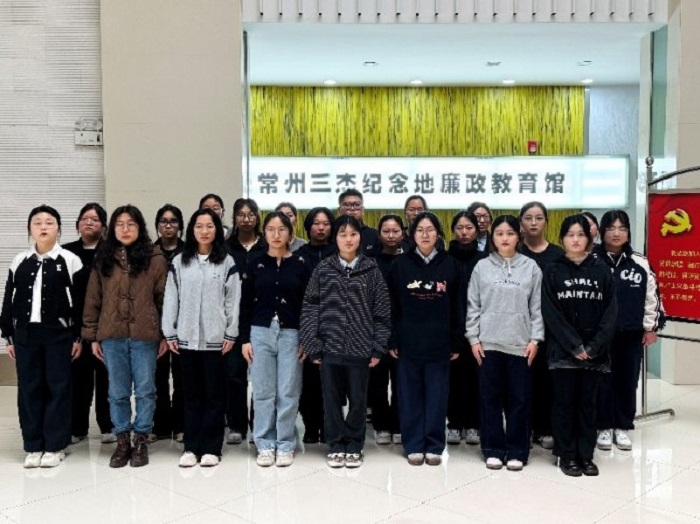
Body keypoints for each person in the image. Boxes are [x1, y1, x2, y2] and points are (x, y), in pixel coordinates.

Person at [300, 215, 391, 469]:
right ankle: (336, 443)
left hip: (361, 348)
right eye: (343, 234)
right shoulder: (324, 269)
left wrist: (378, 346)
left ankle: (354, 443)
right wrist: (312, 343)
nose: (348, 239)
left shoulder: (371, 270)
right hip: (329, 347)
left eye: (353, 234)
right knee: (331, 400)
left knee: (358, 401)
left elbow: (382, 311)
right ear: (335, 238)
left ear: (360, 237)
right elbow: (310, 307)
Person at [82, 205, 168, 468]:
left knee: (145, 390)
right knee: (117, 392)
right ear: (112, 229)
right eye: (120, 224)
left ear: (140, 227)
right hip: (112, 336)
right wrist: (92, 336)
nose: (125, 229)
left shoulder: (155, 258)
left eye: (131, 224)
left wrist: (165, 335)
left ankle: (141, 439)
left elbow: (164, 300)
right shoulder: (103, 258)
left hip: (145, 335)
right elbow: (93, 299)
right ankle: (122, 440)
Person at [1, 205, 84, 468]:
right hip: (26, 335)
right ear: (30, 229)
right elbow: (9, 299)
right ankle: (33, 445)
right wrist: (8, 335)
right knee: (29, 388)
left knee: (58, 388)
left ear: (59, 229)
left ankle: (56, 445)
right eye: (37, 223)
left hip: (59, 334)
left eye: (49, 222)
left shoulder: (70, 260)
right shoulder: (20, 260)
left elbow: (80, 303)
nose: (43, 227)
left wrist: (78, 337)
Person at [162, 208, 241, 468]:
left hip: (216, 340)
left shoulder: (226, 262)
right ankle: (191, 446)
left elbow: (232, 301)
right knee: (190, 395)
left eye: (209, 226)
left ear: (217, 229)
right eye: (199, 226)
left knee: (214, 397)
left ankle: (211, 448)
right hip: (186, 339)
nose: (204, 231)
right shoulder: (179, 261)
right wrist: (169, 331)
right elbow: (171, 298)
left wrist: (231, 332)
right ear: (191, 230)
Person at [466, 214, 544, 471]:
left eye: (510, 233)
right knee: (490, 400)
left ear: (518, 236)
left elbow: (537, 307)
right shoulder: (482, 267)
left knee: (519, 401)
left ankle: (517, 450)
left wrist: (535, 339)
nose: (505, 238)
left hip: (521, 346)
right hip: (488, 345)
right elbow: (473, 305)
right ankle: (493, 449)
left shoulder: (531, 267)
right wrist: (473, 338)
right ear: (493, 237)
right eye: (499, 234)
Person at [387, 212, 465, 466]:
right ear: (412, 234)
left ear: (438, 233)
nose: (425, 234)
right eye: (420, 230)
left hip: (440, 342)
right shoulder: (400, 265)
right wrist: (393, 338)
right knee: (409, 395)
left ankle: (434, 444)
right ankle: (413, 444)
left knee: (437, 396)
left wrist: (456, 339)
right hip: (408, 341)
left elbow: (458, 306)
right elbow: (392, 305)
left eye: (430, 229)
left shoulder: (451, 265)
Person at [542, 215, 617, 477]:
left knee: (588, 404)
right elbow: (551, 312)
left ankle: (585, 454)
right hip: (563, 352)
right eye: (570, 234)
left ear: (590, 238)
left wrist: (594, 347)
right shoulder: (553, 269)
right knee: (564, 404)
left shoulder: (601, 269)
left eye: (581, 234)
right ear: (562, 238)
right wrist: (574, 345)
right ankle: (566, 455)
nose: (575, 240)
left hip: (595, 353)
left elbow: (610, 312)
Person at [240, 211, 311, 467]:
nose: (276, 234)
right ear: (264, 233)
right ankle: (265, 443)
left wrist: (307, 339)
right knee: (262, 391)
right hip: (260, 332)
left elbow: (309, 306)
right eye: (271, 229)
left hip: (292, 333)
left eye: (282, 229)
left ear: (290, 234)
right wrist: (245, 339)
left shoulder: (301, 264)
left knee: (288, 391)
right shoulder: (255, 263)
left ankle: (285, 443)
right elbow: (245, 304)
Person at [594, 210, 664, 452]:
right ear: (602, 231)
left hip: (630, 333)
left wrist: (650, 327)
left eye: (622, 228)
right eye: (611, 228)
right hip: (599, 335)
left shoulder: (640, 262)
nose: (616, 233)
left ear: (628, 232)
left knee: (627, 380)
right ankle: (603, 426)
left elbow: (652, 297)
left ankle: (622, 426)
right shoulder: (592, 260)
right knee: (601, 381)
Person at [63, 203, 114, 445]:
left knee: (106, 380)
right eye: (85, 218)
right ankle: (78, 427)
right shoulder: (66, 253)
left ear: (103, 226)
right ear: (77, 225)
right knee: (78, 380)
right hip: (75, 328)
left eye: (95, 219)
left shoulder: (111, 252)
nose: (89, 222)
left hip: (106, 326)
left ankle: (108, 426)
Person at [518, 201, 565, 451]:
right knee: (522, 381)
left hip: (551, 328)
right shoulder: (514, 252)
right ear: (521, 223)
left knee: (548, 380)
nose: (533, 222)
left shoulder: (558, 254)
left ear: (546, 221)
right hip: (518, 328)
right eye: (528, 218)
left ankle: (546, 428)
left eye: (538, 218)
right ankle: (524, 428)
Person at [223, 198, 267, 445]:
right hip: (232, 320)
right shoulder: (225, 248)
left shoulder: (266, 245)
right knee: (234, 375)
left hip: (261, 318)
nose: (246, 219)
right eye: (241, 214)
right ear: (234, 217)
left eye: (251, 214)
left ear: (258, 217)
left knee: (261, 376)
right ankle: (237, 425)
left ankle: (259, 424)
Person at [445, 211, 486, 446]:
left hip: (480, 329)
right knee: (453, 379)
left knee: (476, 379)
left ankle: (473, 424)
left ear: (477, 230)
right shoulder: (445, 259)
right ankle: (453, 423)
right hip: (451, 328)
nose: (464, 232)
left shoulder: (485, 260)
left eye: (469, 228)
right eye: (459, 228)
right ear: (453, 230)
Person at [296, 207, 336, 444]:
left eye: (326, 223)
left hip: (335, 326)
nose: (321, 228)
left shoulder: (340, 253)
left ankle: (330, 426)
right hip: (307, 324)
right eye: (316, 223)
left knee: (332, 381)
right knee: (309, 380)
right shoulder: (299, 255)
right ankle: (311, 426)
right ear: (308, 226)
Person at [369, 214, 405, 446]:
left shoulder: (409, 260)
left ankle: (399, 424)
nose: (391, 235)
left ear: (403, 233)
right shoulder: (370, 262)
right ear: (379, 234)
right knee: (378, 381)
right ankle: (381, 424)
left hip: (403, 329)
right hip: (375, 330)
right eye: (386, 231)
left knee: (402, 382)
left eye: (395, 231)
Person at [151, 204, 186, 443]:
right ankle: (160, 426)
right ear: (157, 226)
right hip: (154, 325)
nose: (168, 225)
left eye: (173, 221)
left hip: (184, 324)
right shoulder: (149, 253)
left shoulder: (189, 251)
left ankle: (181, 425)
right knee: (157, 377)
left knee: (183, 378)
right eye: (164, 221)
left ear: (180, 226)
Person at [337, 188, 380, 257]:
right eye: (347, 205)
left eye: (357, 205)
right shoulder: (332, 234)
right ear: (339, 210)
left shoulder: (374, 235)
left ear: (363, 210)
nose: (352, 208)